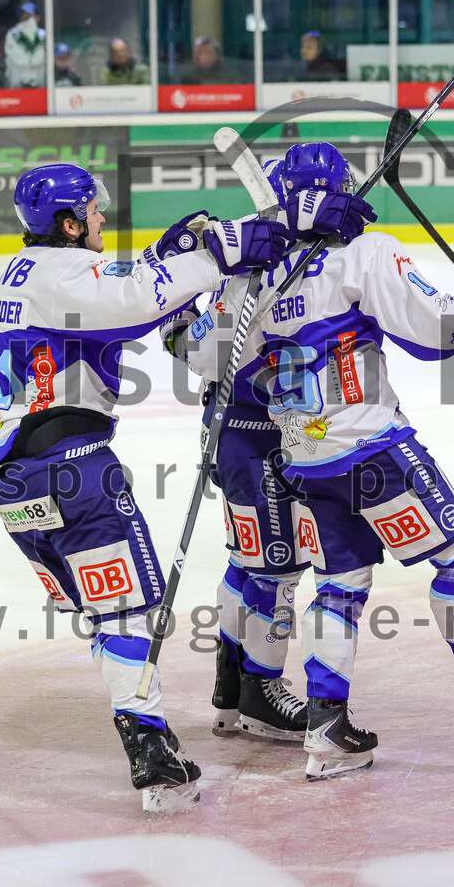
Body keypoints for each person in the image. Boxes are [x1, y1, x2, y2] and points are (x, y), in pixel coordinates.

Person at [184, 143, 454, 781]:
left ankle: (327, 728)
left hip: (304, 460)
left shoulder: (250, 277)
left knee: (342, 583)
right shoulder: (366, 252)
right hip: (372, 448)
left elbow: (204, 358)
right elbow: (438, 330)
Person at [0, 163, 287, 814]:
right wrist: (220, 249)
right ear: (67, 222)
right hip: (70, 464)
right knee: (130, 608)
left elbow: (122, 304)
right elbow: (137, 302)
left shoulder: (29, 271)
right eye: (93, 210)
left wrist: (159, 259)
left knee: (107, 610)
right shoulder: (60, 275)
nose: (102, 218)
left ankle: (146, 732)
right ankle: (148, 747)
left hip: (13, 482)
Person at [164, 150, 373, 745]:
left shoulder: (267, 257)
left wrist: (180, 323)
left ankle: (231, 686)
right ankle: (258, 687)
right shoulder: (259, 265)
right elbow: (205, 353)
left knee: (251, 562)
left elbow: (194, 348)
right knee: (279, 568)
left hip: (249, 432)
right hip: (255, 436)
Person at [4, 1, 47, 88]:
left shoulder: (44, 35)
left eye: (31, 16)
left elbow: (44, 59)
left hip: (39, 82)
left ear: (37, 17)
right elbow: (14, 58)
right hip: (17, 82)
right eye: (25, 16)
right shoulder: (12, 34)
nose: (28, 20)